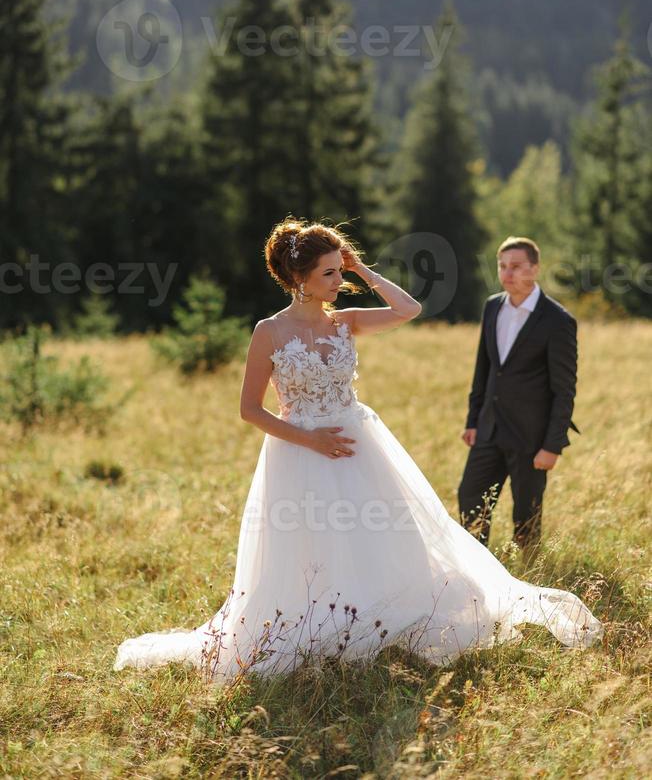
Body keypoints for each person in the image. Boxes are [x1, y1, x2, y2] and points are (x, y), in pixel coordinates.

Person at [113, 220, 602, 684]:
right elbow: (249, 410)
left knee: (381, 534)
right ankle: (317, 625)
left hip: (359, 445)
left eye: (338, 270)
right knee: (313, 545)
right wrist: (311, 439)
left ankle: (376, 616)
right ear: (298, 279)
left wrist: (361, 269)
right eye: (327, 273)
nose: (336, 280)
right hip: (299, 454)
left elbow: (409, 309)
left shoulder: (344, 321)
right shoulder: (270, 332)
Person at [459, 236, 580, 554]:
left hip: (532, 438)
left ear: (535, 269)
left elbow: (564, 390)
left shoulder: (558, 321)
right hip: (489, 429)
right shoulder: (492, 307)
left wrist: (552, 446)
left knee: (525, 515)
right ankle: (477, 569)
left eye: (516, 266)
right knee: (469, 499)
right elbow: (483, 371)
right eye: (502, 266)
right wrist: (473, 420)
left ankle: (529, 575)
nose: (507, 273)